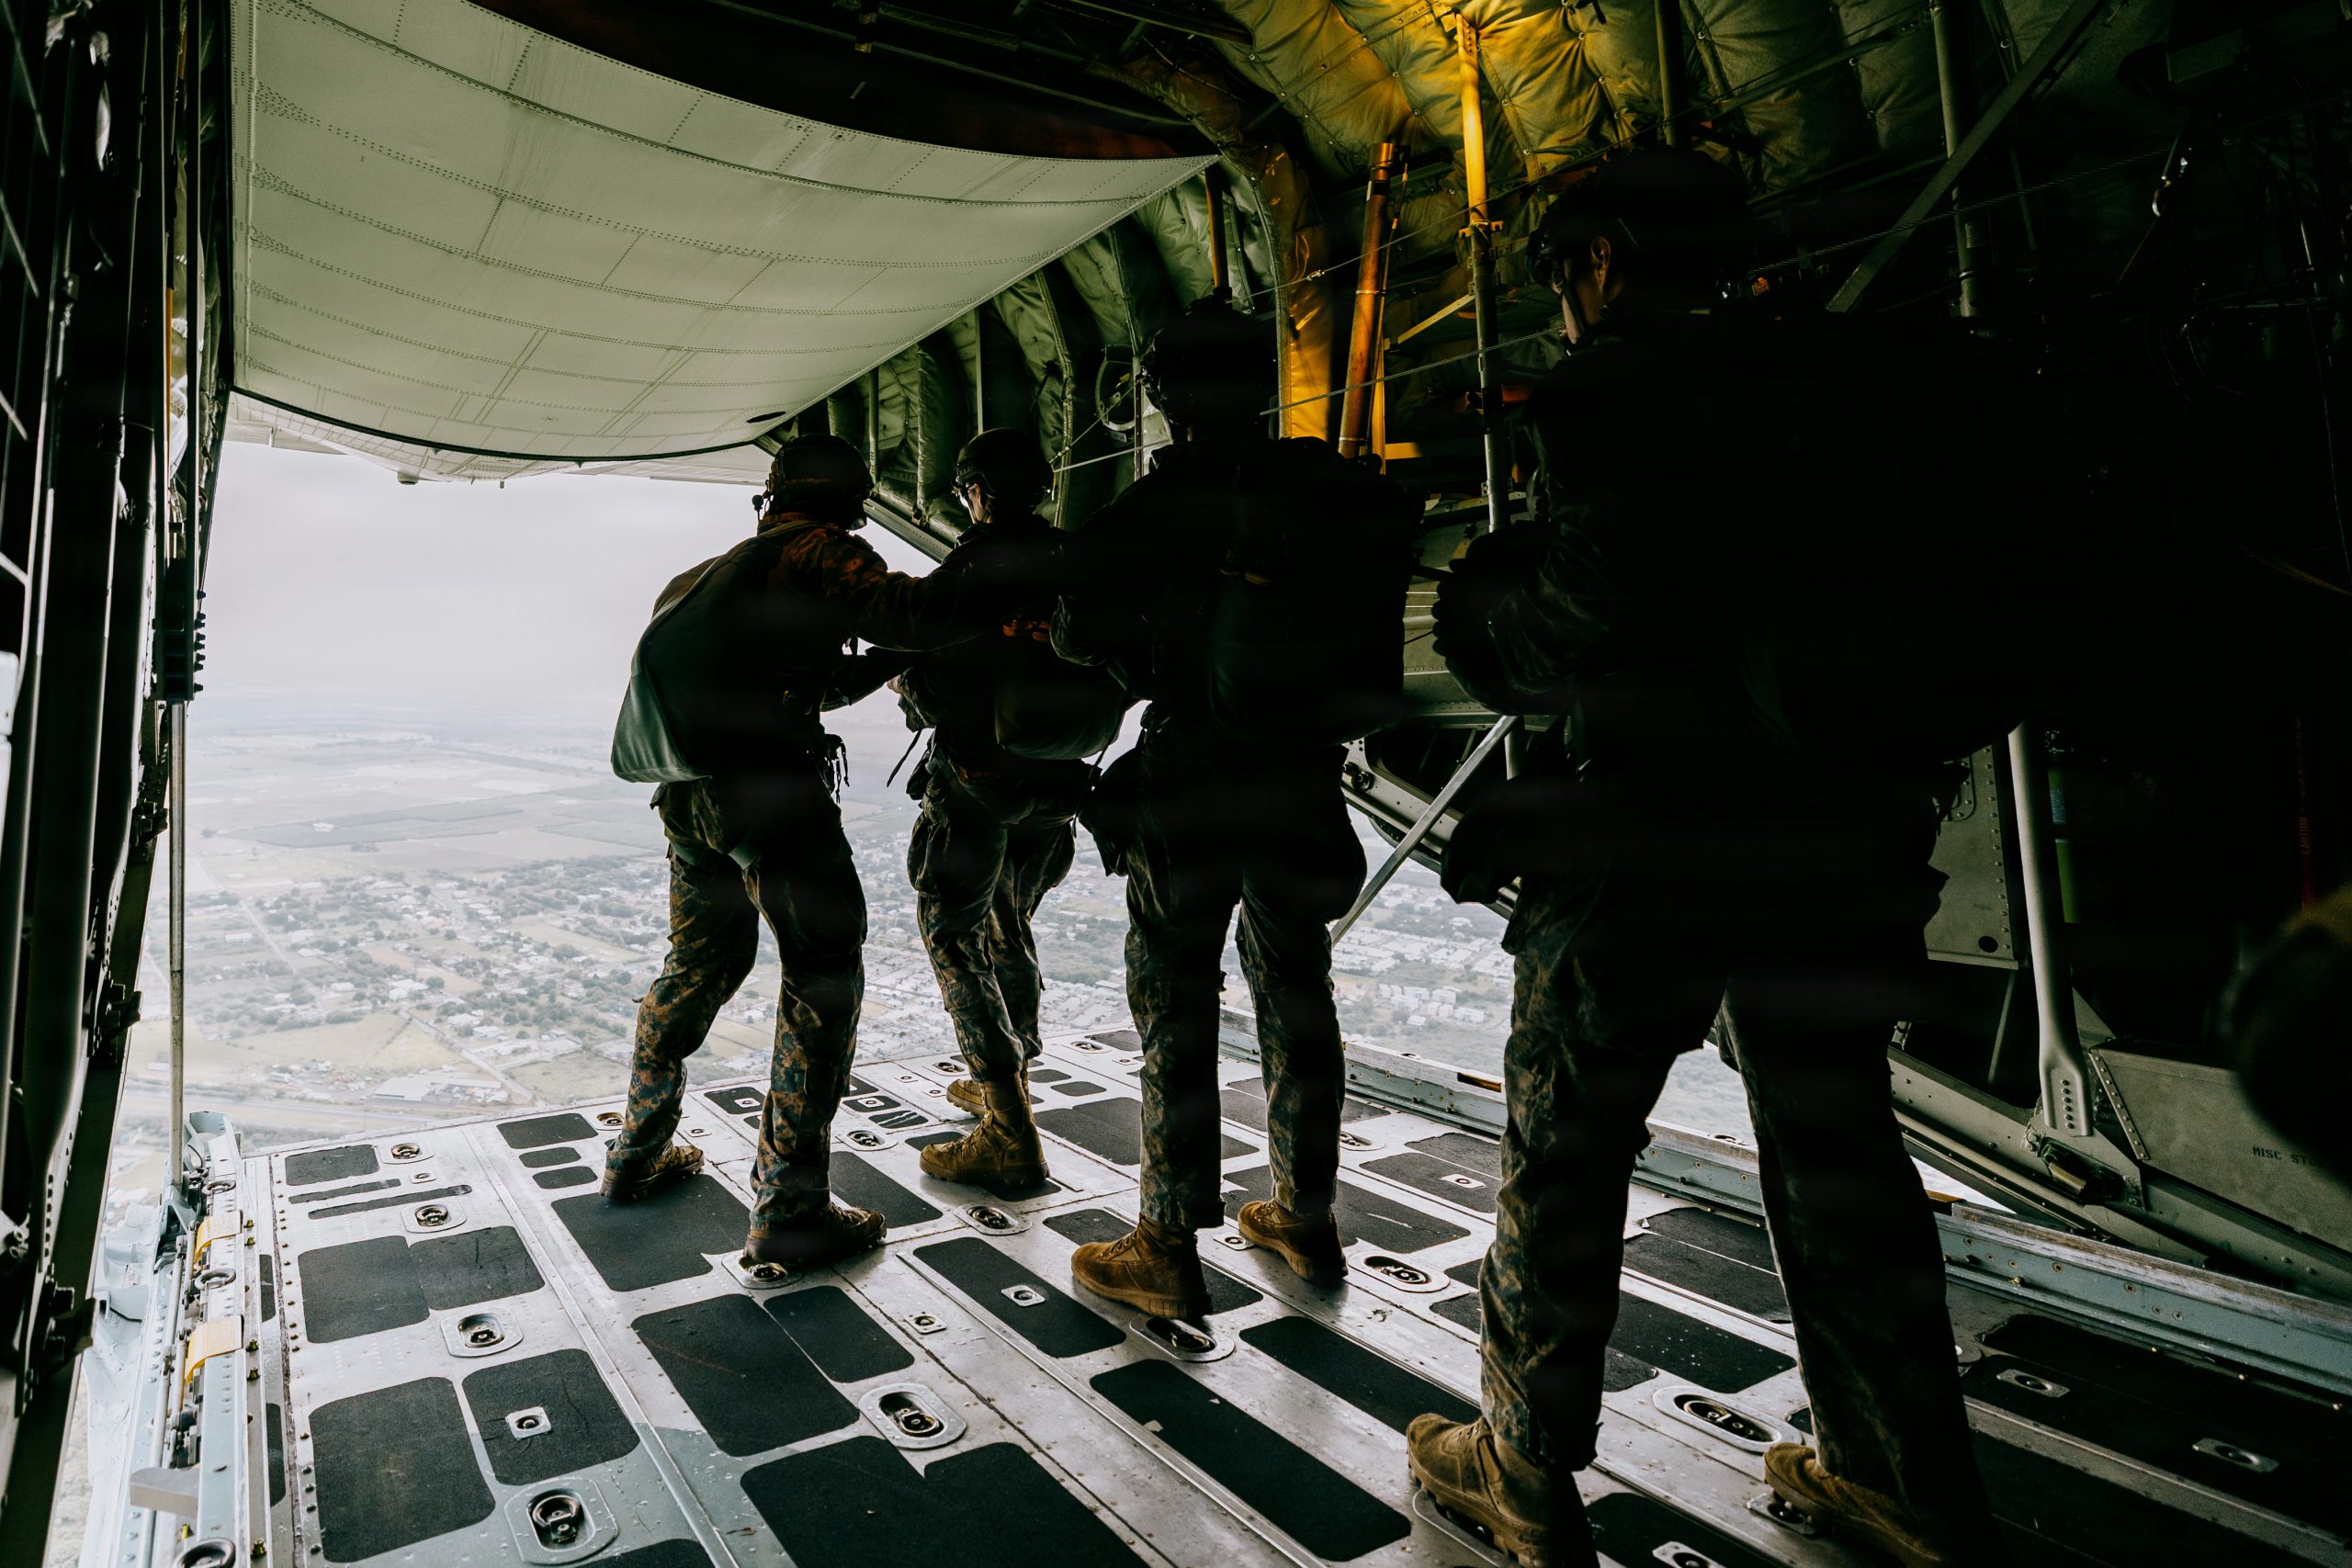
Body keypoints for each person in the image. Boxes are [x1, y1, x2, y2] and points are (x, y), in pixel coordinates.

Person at [1408, 151, 2014, 1568]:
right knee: (1839, 1145)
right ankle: (1894, 1472)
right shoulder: (1849, 379)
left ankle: (1523, 1463)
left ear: (1606, 259)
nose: (1563, 303)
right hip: (1837, 835)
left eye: (1563, 272)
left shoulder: (1621, 382)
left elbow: (1598, 596)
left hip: (1653, 841)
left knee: (1564, 1146)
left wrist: (1485, 620)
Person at [1052, 299, 1414, 1320]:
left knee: (1175, 1001)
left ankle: (1166, 1242)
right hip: (1300, 784)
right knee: (1298, 992)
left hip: (1195, 782)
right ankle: (1303, 1211)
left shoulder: (1155, 508)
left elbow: (1080, 638)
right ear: (1264, 386)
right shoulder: (1331, 495)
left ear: (1165, 396)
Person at [603, 433, 1001, 1270]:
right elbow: (920, 612)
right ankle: (791, 1207)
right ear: (848, 506)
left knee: (697, 966)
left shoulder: (704, 579)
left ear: (772, 495)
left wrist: (889, 658)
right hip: (772, 800)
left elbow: (817, 682)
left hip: (691, 799)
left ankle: (635, 1155)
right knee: (824, 974)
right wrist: (991, 557)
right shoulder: (823, 553)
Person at [902, 429, 1109, 1190]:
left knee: (953, 935)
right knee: (1009, 921)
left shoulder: (972, 564)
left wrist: (911, 693)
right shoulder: (1077, 561)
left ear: (979, 491)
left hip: (977, 785)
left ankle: (1006, 1126)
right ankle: (1010, 1080)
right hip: (1057, 793)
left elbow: (928, 681)